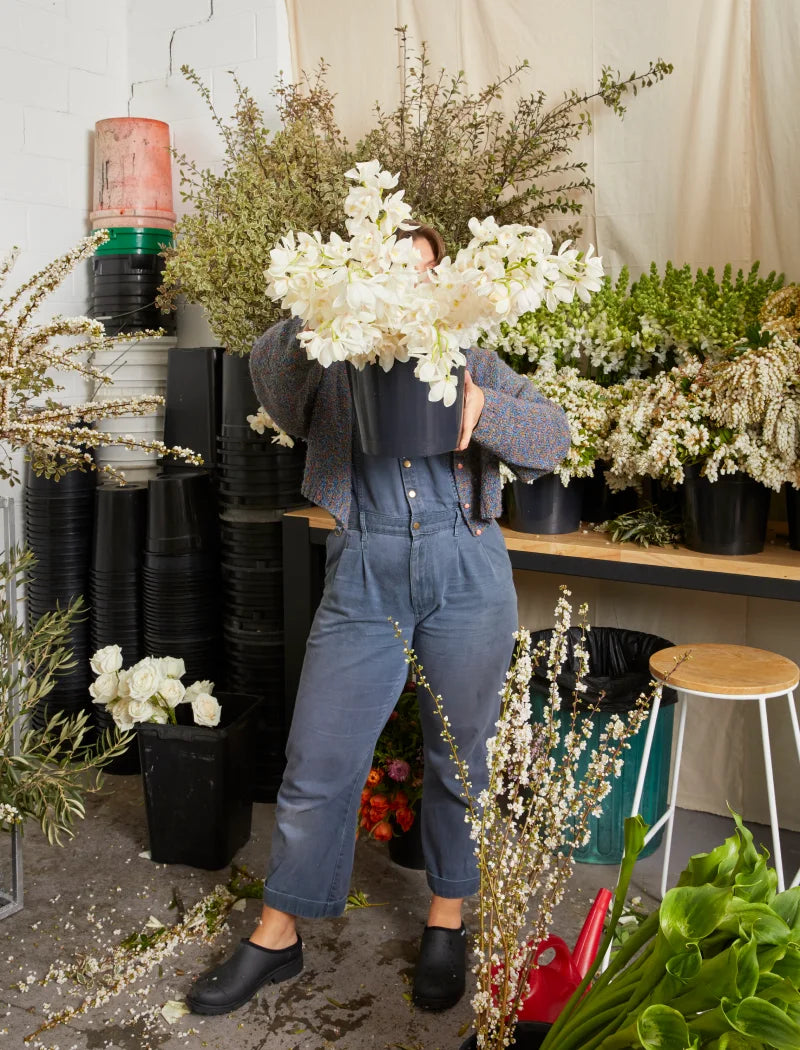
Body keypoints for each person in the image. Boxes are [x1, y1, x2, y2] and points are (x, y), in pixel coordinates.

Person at [187, 225, 571, 1016]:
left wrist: (484, 407)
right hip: (366, 567)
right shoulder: (332, 368)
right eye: (394, 269)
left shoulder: (473, 359)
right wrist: (331, 303)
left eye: (423, 271)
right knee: (317, 759)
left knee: (460, 758)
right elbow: (267, 372)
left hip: (467, 570)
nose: (410, 283)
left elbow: (554, 439)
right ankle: (277, 933)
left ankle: (446, 918)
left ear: (444, 287)